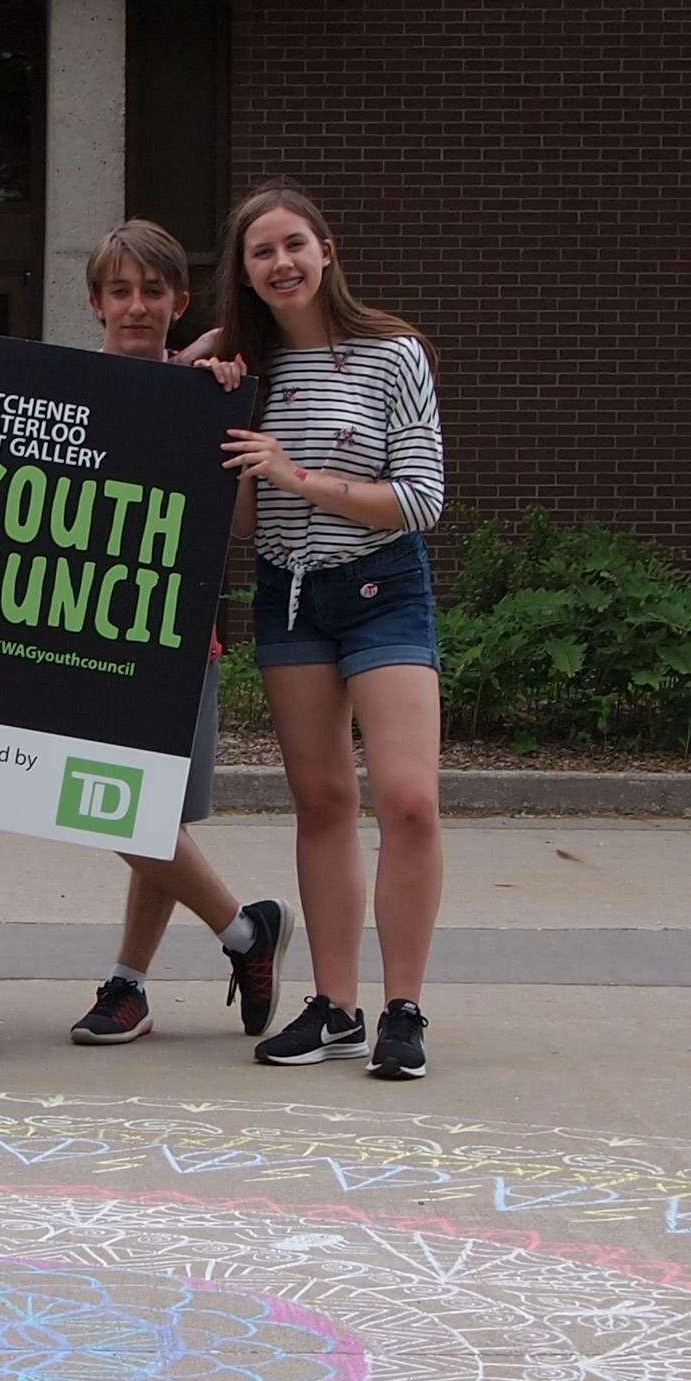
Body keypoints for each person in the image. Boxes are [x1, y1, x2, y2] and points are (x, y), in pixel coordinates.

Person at [207, 183, 448, 1081]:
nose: (281, 263)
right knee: (321, 802)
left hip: (384, 586)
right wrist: (217, 402)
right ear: (245, 272)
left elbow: (421, 499)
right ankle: (336, 1005)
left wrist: (294, 474)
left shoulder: (393, 353)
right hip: (289, 595)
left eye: (294, 244)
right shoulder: (248, 365)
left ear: (326, 249)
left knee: (408, 798)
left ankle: (404, 1008)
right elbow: (236, 522)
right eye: (261, 252)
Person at [62, 220, 294, 1046]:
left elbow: (237, 525)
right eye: (119, 291)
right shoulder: (64, 389)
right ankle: (244, 929)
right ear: (94, 301)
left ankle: (128, 986)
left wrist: (220, 410)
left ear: (177, 301)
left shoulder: (209, 392)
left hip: (177, 637)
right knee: (110, 810)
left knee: (148, 817)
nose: (135, 305)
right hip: (80, 632)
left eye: (152, 291)